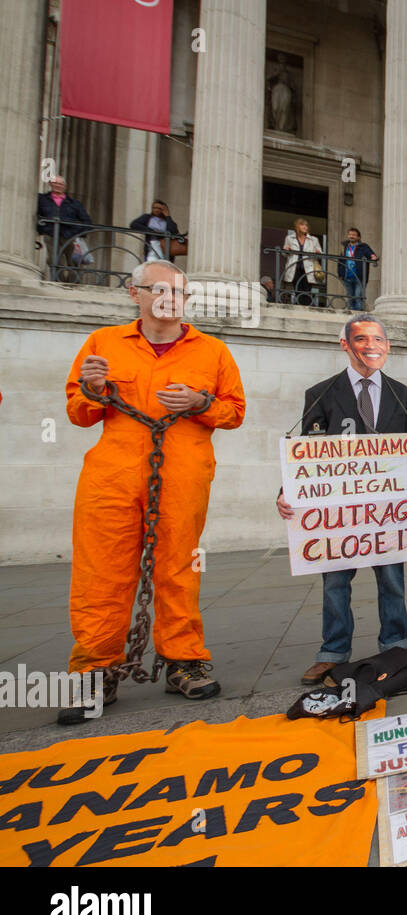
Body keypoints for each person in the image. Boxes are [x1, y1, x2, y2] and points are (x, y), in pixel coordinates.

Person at [59, 260, 246, 723]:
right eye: (158, 290)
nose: (170, 299)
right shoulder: (104, 344)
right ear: (134, 294)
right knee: (101, 571)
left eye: (179, 292)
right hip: (112, 476)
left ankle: (183, 658)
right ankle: (96, 669)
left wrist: (201, 403)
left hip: (182, 473)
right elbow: (78, 412)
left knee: (178, 566)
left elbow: (235, 411)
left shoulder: (213, 350)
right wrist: (94, 388)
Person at [276, 316, 407, 684]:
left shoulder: (404, 395)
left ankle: (397, 645)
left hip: (387, 513)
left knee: (392, 580)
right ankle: (333, 651)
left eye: (379, 339)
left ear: (388, 346)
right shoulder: (321, 393)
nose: (372, 345)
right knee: (335, 582)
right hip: (340, 513)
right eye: (361, 339)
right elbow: (307, 452)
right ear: (344, 345)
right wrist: (286, 492)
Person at [37, 175, 94, 277]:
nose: (58, 186)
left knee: (73, 262)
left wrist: (74, 233)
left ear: (65, 186)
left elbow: (87, 222)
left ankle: (73, 286)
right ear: (50, 184)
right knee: (53, 261)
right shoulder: (42, 199)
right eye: (55, 183)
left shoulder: (74, 203)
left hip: (70, 237)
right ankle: (58, 284)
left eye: (61, 184)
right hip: (51, 235)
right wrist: (43, 229)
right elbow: (36, 216)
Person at [282, 217, 324, 306]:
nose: (305, 227)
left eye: (306, 225)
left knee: (307, 289)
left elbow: (320, 253)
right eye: (302, 225)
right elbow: (284, 254)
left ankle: (307, 307)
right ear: (297, 226)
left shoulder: (313, 239)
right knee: (297, 288)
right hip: (295, 267)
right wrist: (286, 250)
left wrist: (318, 252)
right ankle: (299, 306)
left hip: (308, 267)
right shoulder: (289, 238)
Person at [338, 227, 377, 311]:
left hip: (359, 277)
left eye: (354, 235)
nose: (351, 236)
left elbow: (370, 253)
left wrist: (373, 256)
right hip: (347, 276)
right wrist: (340, 273)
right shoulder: (344, 247)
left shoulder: (363, 246)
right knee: (350, 297)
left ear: (358, 237)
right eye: (350, 234)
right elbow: (340, 261)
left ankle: (359, 315)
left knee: (358, 296)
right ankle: (351, 315)